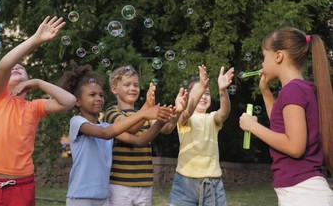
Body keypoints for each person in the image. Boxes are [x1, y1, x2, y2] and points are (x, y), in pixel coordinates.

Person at [0, 16, 77, 206]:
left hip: (21, 185)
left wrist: (38, 82)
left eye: (21, 68)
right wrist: (36, 39)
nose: (15, 67)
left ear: (28, 80)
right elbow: (4, 65)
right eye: (14, 67)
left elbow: (70, 101)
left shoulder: (35, 106)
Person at [58, 62, 183, 206]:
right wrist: (146, 111)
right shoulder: (78, 121)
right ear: (77, 101)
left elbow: (139, 141)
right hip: (82, 197)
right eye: (92, 95)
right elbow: (107, 133)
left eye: (100, 95)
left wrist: (162, 118)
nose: (98, 98)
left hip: (103, 197)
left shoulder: (107, 126)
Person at [239, 27, 333, 205]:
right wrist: (265, 91)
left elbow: (295, 146)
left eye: (264, 56)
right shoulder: (301, 88)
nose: (262, 64)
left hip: (303, 194)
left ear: (278, 56)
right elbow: (280, 123)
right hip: (304, 192)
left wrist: (253, 127)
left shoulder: (292, 91)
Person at [105, 65, 187, 206]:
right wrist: (147, 109)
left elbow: (166, 129)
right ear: (114, 89)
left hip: (145, 184)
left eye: (136, 85)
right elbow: (131, 128)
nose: (133, 88)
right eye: (127, 84)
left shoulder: (146, 114)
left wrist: (177, 112)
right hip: (120, 185)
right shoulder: (112, 112)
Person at [161, 65, 234, 206]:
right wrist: (201, 86)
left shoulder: (212, 119)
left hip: (212, 184)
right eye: (199, 93)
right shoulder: (183, 117)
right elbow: (187, 113)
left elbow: (224, 112)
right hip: (184, 184)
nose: (203, 96)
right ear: (187, 98)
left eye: (206, 93)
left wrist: (222, 90)